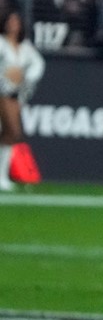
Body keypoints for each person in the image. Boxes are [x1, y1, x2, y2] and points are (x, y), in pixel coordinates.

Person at [0, 12, 44, 192]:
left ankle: (2, 175)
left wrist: (24, 76)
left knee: (9, 135)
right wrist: (5, 76)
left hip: (15, 95)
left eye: (16, 21)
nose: (13, 25)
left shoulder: (25, 47)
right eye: (10, 21)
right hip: (2, 92)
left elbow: (38, 65)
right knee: (13, 131)